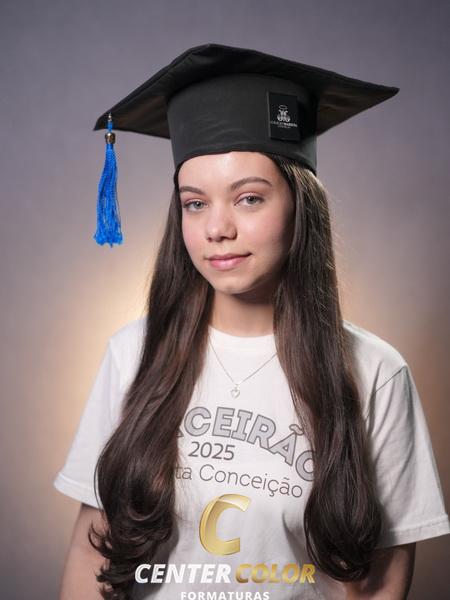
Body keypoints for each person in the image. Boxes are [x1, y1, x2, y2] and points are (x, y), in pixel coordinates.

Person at [53, 43, 450, 600]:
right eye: (195, 203)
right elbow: (91, 550)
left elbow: (379, 585)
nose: (217, 228)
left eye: (248, 199)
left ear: (300, 205)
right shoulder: (133, 352)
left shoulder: (376, 373)